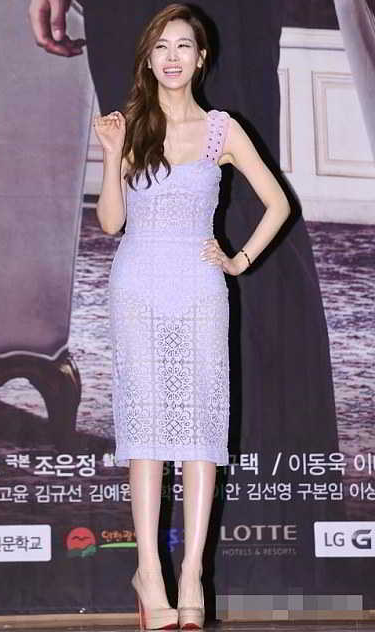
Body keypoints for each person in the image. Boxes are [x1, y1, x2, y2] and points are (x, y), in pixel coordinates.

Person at [92, 4, 290, 630]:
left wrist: (238, 260)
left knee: (201, 430)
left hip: (201, 288)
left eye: (183, 46)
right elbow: (111, 223)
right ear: (148, 60)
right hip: (137, 286)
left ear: (201, 59)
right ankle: (149, 572)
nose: (172, 56)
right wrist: (111, 154)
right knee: (147, 431)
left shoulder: (221, 129)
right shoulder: (129, 126)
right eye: (161, 47)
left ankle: (191, 576)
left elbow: (278, 203)